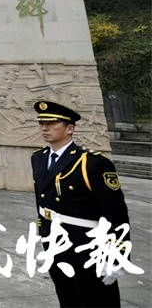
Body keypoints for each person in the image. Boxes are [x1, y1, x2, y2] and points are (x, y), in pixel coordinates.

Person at [31, 100, 132, 308]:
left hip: (87, 246)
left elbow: (115, 214)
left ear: (70, 128)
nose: (44, 128)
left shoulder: (93, 163)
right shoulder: (39, 158)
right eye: (42, 123)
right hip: (55, 244)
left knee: (98, 302)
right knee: (68, 299)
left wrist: (116, 256)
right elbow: (42, 202)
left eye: (51, 123)